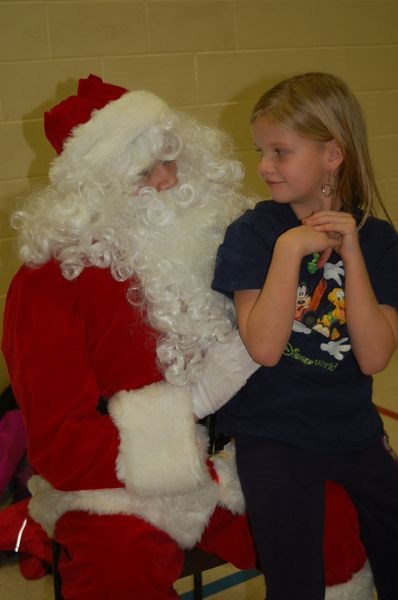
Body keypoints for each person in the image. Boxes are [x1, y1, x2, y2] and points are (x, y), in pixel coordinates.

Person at [0, 74, 372, 599]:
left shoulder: (222, 238)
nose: (170, 180)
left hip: (234, 466)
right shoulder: (44, 286)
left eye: (171, 158)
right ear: (93, 191)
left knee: (333, 515)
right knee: (118, 573)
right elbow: (61, 445)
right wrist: (193, 404)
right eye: (145, 171)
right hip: (121, 491)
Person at [212, 71, 398, 600]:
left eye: (280, 151)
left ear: (333, 155)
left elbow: (375, 357)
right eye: (261, 151)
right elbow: (265, 347)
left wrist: (353, 255)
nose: (264, 167)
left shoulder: (380, 242)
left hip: (353, 428)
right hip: (274, 434)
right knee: (295, 579)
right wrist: (292, 249)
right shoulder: (252, 234)